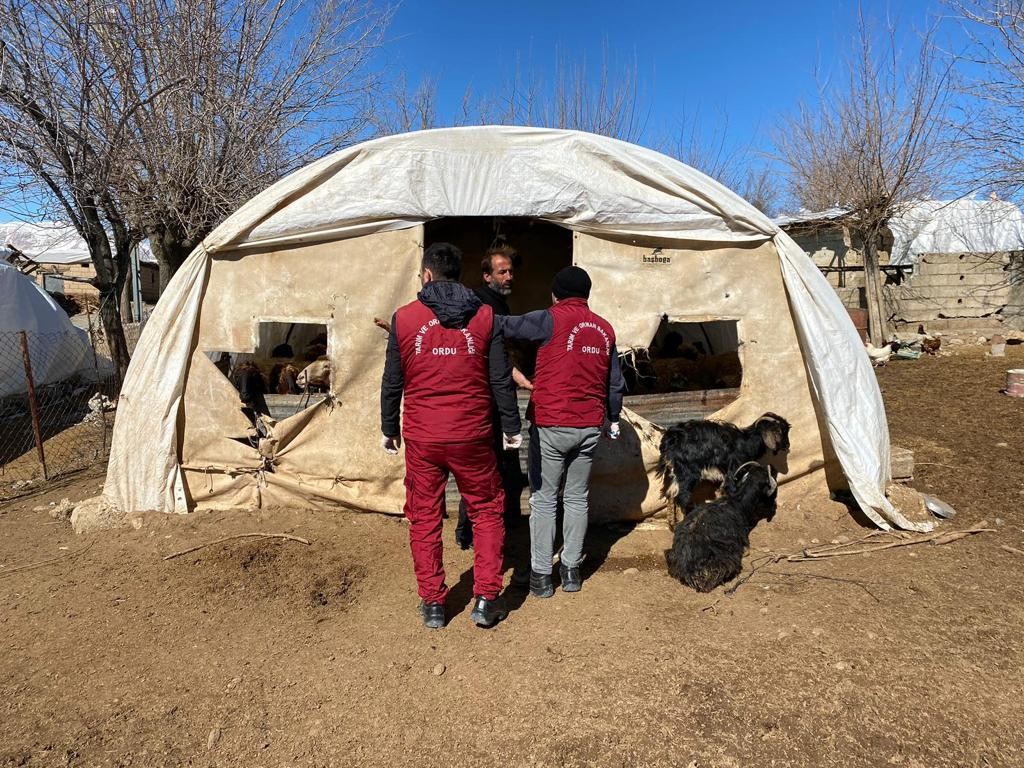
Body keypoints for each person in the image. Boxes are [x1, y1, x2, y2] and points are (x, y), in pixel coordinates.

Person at [380, 242, 522, 629]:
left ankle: (433, 604)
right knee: (487, 509)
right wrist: (512, 426)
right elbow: (499, 377)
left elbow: (393, 379)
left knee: (424, 516)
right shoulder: (485, 315)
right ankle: (487, 598)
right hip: (472, 434)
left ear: (426, 275)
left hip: (424, 437)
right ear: (461, 275)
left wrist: (388, 428)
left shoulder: (405, 318)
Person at [498, 266, 625, 597]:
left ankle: (541, 576)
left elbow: (503, 325)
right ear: (587, 295)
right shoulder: (605, 329)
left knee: (543, 499)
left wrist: (471, 313)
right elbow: (615, 384)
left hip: (551, 423)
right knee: (577, 496)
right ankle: (570, 571)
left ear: (556, 294)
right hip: (588, 426)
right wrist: (612, 417)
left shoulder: (549, 319)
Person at [455, 242, 532, 550]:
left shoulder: (497, 303)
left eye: (511, 271)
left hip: (497, 397)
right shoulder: (481, 305)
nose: (509, 276)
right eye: (502, 272)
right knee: (482, 468)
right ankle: (468, 530)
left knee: (505, 467)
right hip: (486, 400)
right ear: (486, 276)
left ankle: (504, 521)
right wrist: (519, 379)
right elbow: (491, 356)